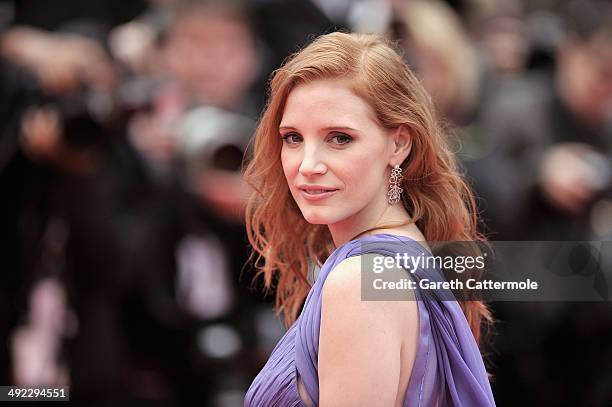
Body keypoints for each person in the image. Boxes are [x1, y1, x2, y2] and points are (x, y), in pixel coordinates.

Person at [243, 32, 495, 406]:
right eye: (293, 137)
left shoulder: (360, 281)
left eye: (340, 138)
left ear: (399, 144)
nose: (308, 165)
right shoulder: (410, 252)